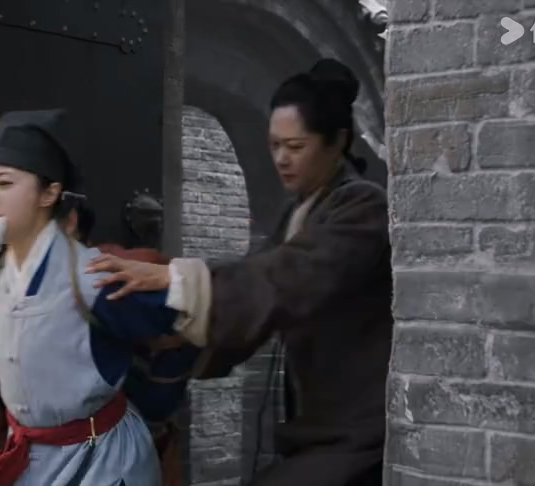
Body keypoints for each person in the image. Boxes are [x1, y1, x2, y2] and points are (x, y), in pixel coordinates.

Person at [86, 58, 393, 486]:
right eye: (274, 145)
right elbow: (254, 297)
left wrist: (177, 282)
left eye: (296, 146)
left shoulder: (364, 207)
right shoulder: (300, 213)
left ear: (337, 141)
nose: (282, 159)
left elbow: (285, 279)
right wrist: (169, 350)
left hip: (358, 427)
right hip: (316, 429)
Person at [0, 109, 200, 486]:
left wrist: (158, 401)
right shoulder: (7, 274)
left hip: (99, 461)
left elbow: (184, 322)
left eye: (4, 183)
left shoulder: (91, 276)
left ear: (49, 193)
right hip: (33, 457)